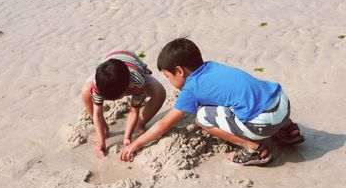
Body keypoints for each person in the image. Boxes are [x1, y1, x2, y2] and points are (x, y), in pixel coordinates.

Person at [120, 38, 304, 165]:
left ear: (179, 71)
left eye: (168, 76)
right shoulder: (212, 66)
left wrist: (135, 144)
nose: (169, 81)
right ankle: (289, 129)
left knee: (202, 118)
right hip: (283, 103)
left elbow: (163, 124)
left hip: (263, 123)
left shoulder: (191, 88)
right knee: (254, 90)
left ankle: (254, 149)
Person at [81, 50, 166, 158]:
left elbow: (134, 111)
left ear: (127, 90)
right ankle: (104, 128)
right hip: (105, 67)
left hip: (133, 65)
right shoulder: (98, 85)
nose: (114, 102)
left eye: (116, 98)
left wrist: (127, 138)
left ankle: (140, 124)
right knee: (85, 92)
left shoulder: (137, 82)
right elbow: (97, 114)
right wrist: (101, 142)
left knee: (160, 93)